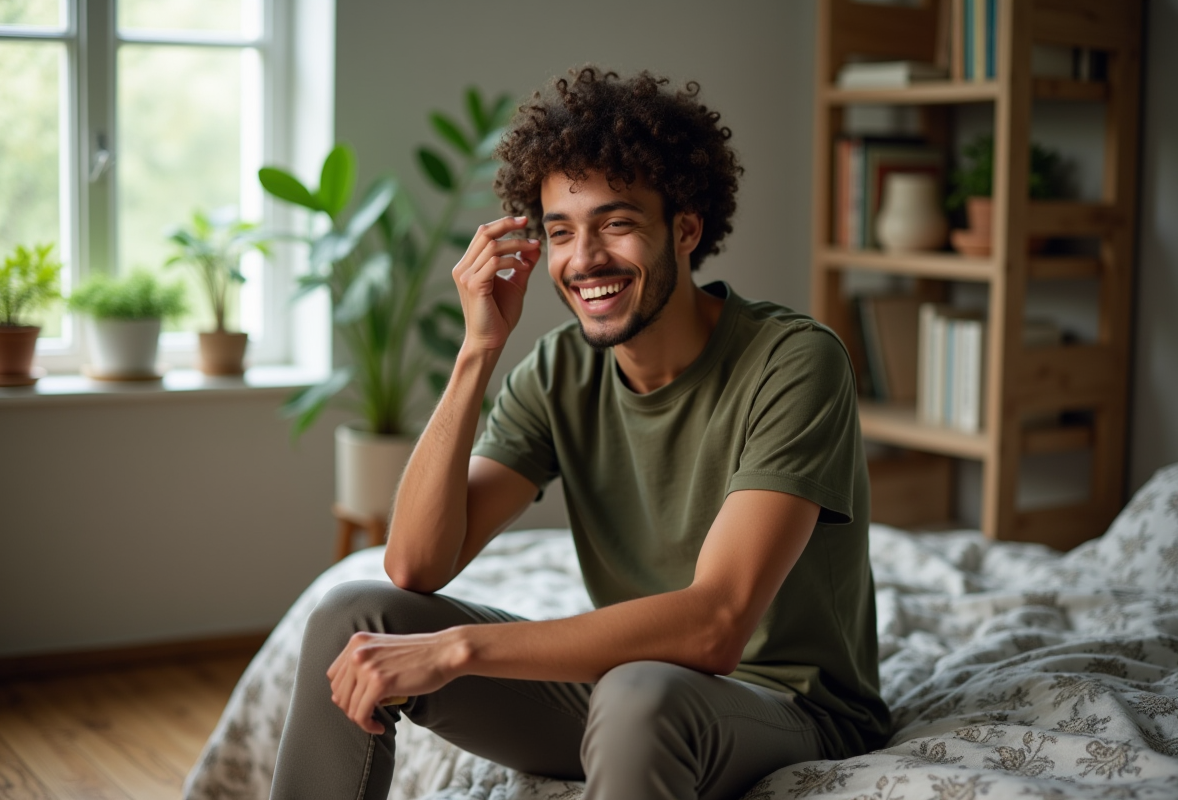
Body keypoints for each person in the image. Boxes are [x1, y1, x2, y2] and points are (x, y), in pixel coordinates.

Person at [270, 66, 890, 800]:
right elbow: (416, 566)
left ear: (685, 228)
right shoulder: (560, 368)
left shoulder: (794, 362)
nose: (585, 258)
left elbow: (715, 626)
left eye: (616, 223)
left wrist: (459, 650)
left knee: (640, 694)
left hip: (785, 706)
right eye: (560, 232)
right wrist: (478, 352)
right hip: (625, 694)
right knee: (352, 616)